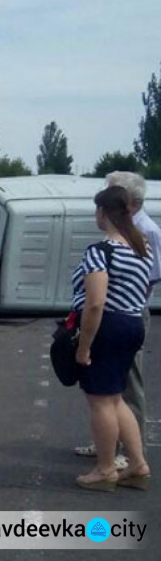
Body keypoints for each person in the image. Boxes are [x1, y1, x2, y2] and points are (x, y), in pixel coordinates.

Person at [75, 172, 161, 465]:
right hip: (131, 318)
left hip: (111, 324)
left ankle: (108, 465)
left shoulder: (105, 250)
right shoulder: (139, 244)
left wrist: (83, 346)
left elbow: (96, 302)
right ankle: (136, 463)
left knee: (104, 397)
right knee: (116, 397)